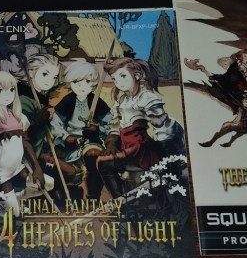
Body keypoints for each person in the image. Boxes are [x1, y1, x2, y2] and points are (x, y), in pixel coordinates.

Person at [96, 57, 186, 201]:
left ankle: (121, 201)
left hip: (141, 150)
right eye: (114, 79)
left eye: (123, 76)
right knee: (103, 162)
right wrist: (112, 143)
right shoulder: (122, 100)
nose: (118, 82)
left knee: (103, 162)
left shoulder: (146, 97)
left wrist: (166, 157)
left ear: (137, 75)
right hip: (126, 147)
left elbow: (163, 127)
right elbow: (116, 126)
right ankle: (121, 199)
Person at [0, 71, 44, 217]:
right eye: (0, 91)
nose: (7, 95)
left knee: (46, 184)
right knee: (15, 215)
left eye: (11, 90)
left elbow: (25, 142)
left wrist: (36, 167)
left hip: (17, 165)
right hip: (1, 168)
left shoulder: (19, 116)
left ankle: (11, 201)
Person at [49, 59, 111, 205]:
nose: (82, 86)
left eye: (87, 82)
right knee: (61, 168)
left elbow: (109, 123)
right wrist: (67, 138)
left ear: (93, 83)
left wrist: (98, 130)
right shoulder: (67, 101)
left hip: (91, 142)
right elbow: (56, 125)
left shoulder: (97, 101)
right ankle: (70, 193)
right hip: (69, 145)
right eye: (77, 82)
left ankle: (93, 196)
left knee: (93, 155)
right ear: (70, 83)